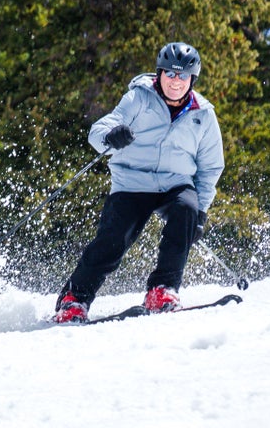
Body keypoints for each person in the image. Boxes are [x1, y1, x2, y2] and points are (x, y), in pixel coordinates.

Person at [54, 41, 225, 323]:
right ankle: (74, 299)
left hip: (174, 184)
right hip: (132, 182)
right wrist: (111, 137)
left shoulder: (203, 114)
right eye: (170, 74)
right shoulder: (139, 98)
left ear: (192, 79)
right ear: (159, 74)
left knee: (187, 209)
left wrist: (201, 213)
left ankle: (162, 289)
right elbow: (100, 129)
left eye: (182, 76)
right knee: (114, 238)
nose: (175, 81)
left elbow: (210, 167)